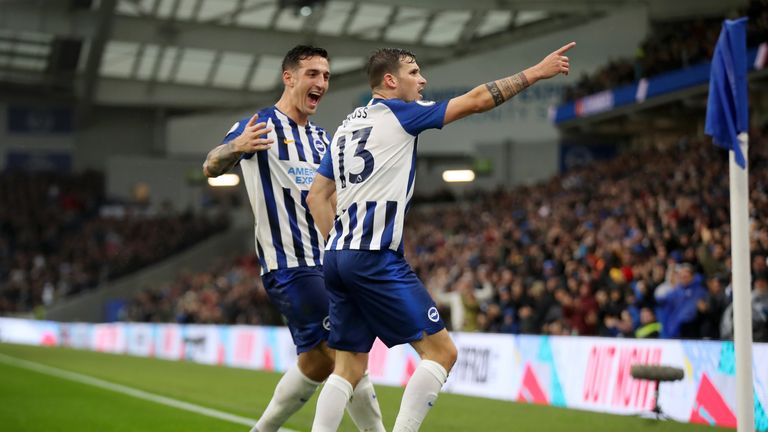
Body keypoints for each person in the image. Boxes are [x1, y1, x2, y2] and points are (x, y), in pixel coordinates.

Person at [307, 42, 575, 431]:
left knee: (347, 367)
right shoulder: (401, 114)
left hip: (336, 256)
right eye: (414, 72)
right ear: (389, 80)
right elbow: (478, 100)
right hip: (373, 257)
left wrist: (342, 242)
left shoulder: (346, 127)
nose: (422, 79)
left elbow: (316, 196)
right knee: (442, 352)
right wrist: (535, 72)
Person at [203, 45, 384, 432]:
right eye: (313, 74)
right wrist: (236, 147)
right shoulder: (259, 126)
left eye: (326, 76)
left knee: (319, 362)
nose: (321, 83)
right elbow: (211, 166)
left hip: (327, 265)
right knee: (347, 353)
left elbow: (333, 200)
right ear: (289, 78)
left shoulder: (323, 139)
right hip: (289, 266)